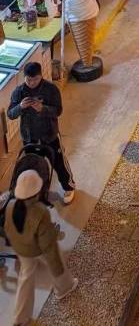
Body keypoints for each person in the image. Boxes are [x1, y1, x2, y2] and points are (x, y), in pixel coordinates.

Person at [4, 170, 78, 324]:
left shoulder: (10, 205)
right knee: (56, 258)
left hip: (21, 249)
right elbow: (48, 246)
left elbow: (8, 229)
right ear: (36, 192)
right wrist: (56, 266)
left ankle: (20, 318)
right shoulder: (40, 211)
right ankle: (64, 287)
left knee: (25, 277)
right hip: (35, 249)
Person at [8, 62, 76, 204]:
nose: (32, 83)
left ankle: (69, 187)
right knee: (33, 166)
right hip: (29, 137)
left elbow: (58, 111)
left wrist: (42, 109)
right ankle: (37, 192)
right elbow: (10, 114)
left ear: (41, 76)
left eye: (36, 79)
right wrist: (20, 106)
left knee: (59, 163)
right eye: (29, 79)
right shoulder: (19, 92)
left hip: (50, 134)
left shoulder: (51, 89)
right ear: (24, 77)